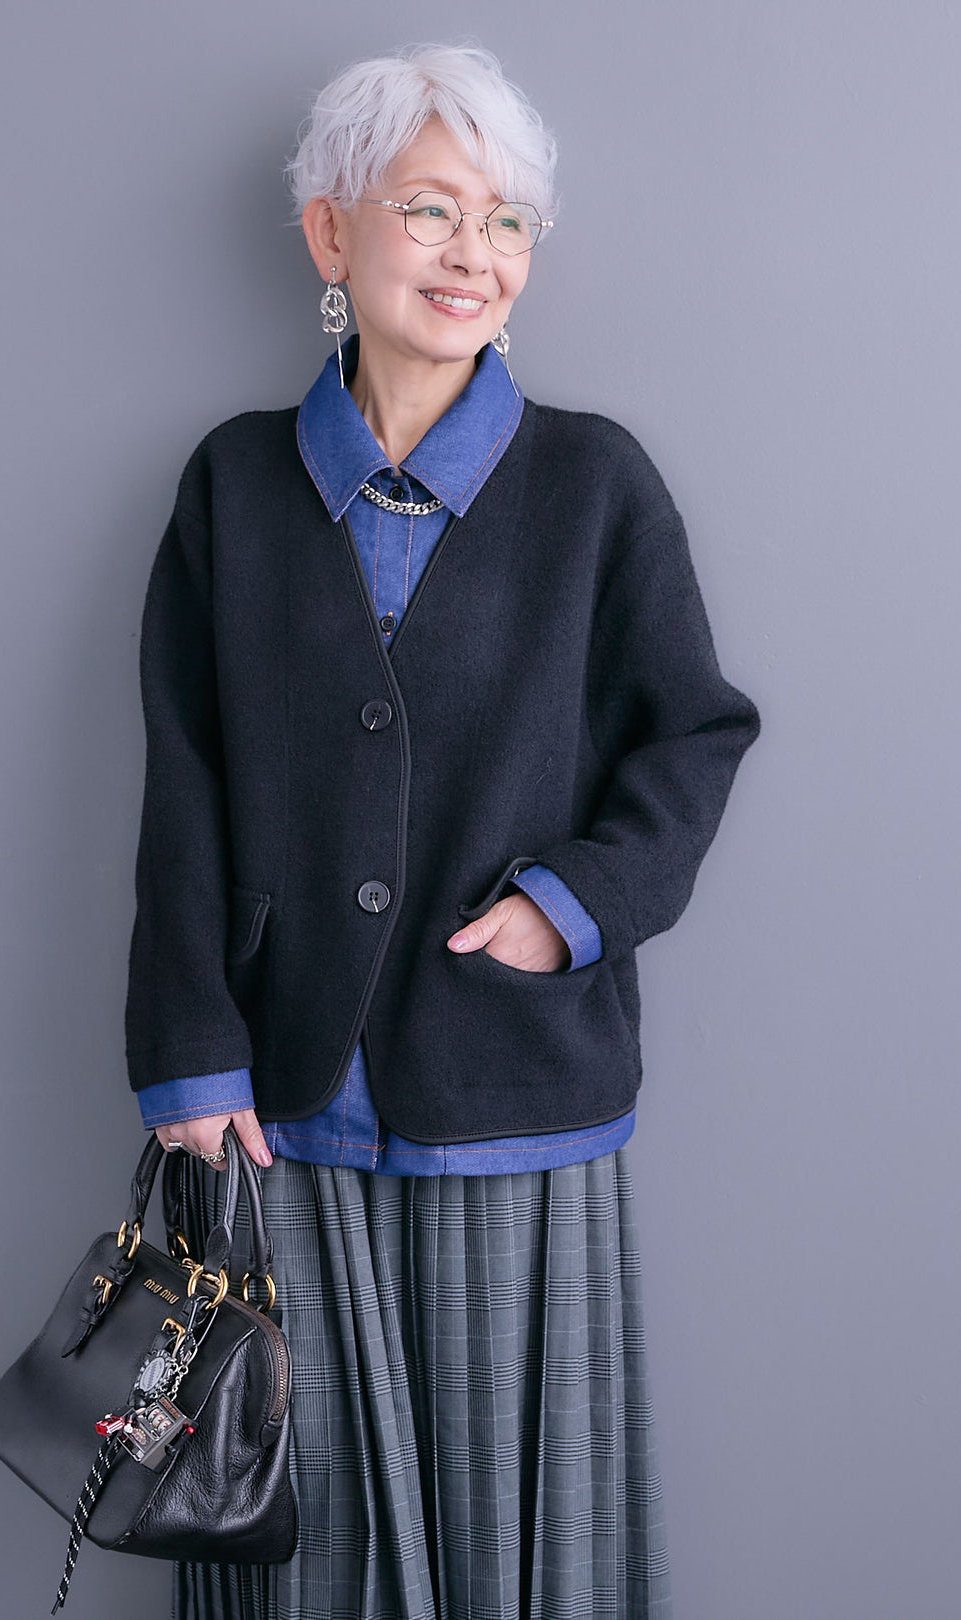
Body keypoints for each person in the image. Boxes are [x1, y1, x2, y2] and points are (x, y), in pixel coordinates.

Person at [124, 42, 759, 1620]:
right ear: (329, 234)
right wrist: (189, 1053)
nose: (474, 251)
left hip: (511, 1086)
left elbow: (695, 733)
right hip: (279, 1106)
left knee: (515, 1546)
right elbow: (183, 777)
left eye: (507, 219)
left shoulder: (597, 486)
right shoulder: (235, 487)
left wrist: (571, 905)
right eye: (430, 208)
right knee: (305, 1549)